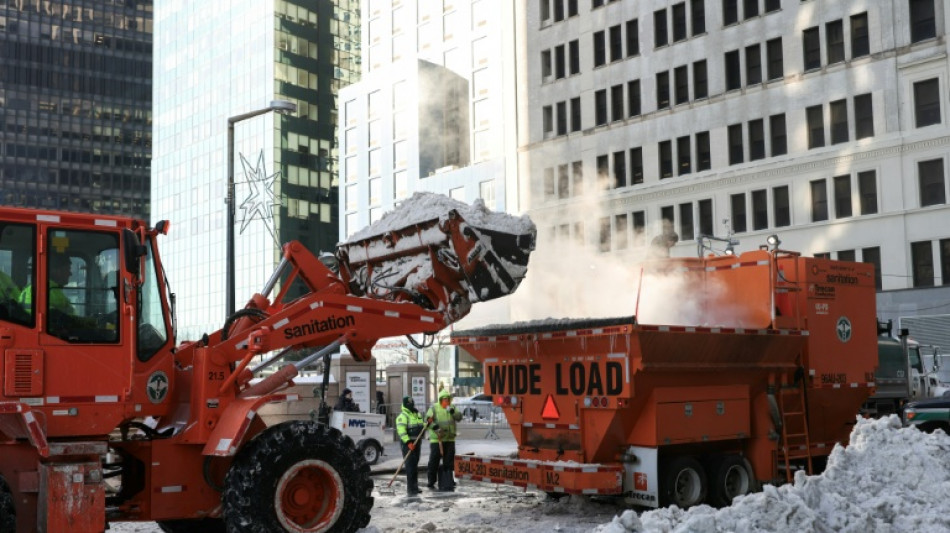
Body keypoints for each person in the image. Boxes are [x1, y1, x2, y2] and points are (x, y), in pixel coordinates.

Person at [425, 388, 463, 492]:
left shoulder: (452, 407)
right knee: (434, 461)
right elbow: (427, 421)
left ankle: (448, 479)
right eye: (444, 400)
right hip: (437, 440)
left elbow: (459, 417)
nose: (446, 402)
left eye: (448, 400)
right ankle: (431, 480)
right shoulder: (434, 408)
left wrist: (452, 412)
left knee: (449, 462)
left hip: (450, 439)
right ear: (440, 399)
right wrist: (435, 427)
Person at [395, 396, 425, 496]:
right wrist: (408, 443)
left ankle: (415, 486)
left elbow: (422, 425)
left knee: (415, 465)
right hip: (408, 444)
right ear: (404, 405)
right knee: (410, 466)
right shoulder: (403, 416)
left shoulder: (417, 414)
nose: (411, 406)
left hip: (417, 442)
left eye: (412, 404)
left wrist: (428, 423)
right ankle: (411, 488)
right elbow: (401, 431)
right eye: (409, 404)